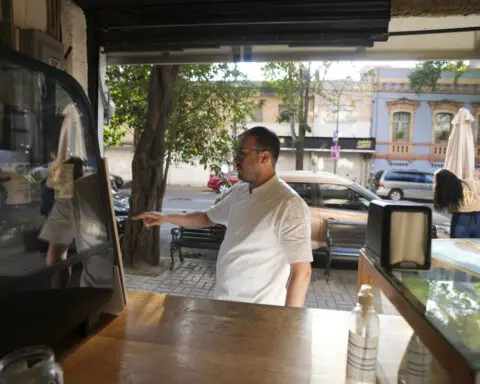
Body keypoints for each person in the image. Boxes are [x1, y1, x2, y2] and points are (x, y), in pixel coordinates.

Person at [134, 126, 313, 307]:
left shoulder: (288, 204)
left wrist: (290, 324)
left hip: (260, 313)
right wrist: (166, 218)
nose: (236, 159)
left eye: (241, 153)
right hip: (223, 302)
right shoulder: (239, 191)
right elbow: (206, 218)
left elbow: (302, 272)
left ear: (264, 157)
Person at [433, 168, 480, 238]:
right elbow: (477, 186)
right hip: (478, 217)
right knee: (476, 247)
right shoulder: (468, 183)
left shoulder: (447, 191)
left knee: (458, 246)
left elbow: (441, 203)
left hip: (460, 219)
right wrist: (475, 177)